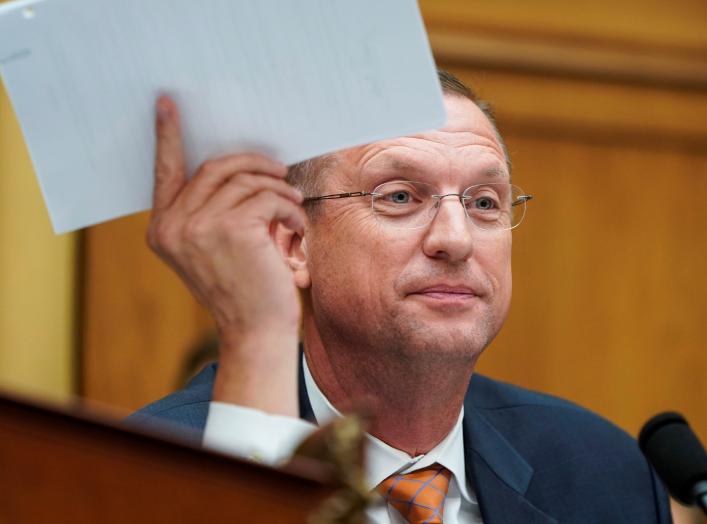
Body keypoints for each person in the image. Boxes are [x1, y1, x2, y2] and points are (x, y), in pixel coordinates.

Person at [129, 71, 671, 523]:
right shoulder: (146, 473)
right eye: (399, 197)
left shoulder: (604, 474)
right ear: (295, 242)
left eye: (484, 203)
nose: (456, 240)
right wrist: (257, 330)